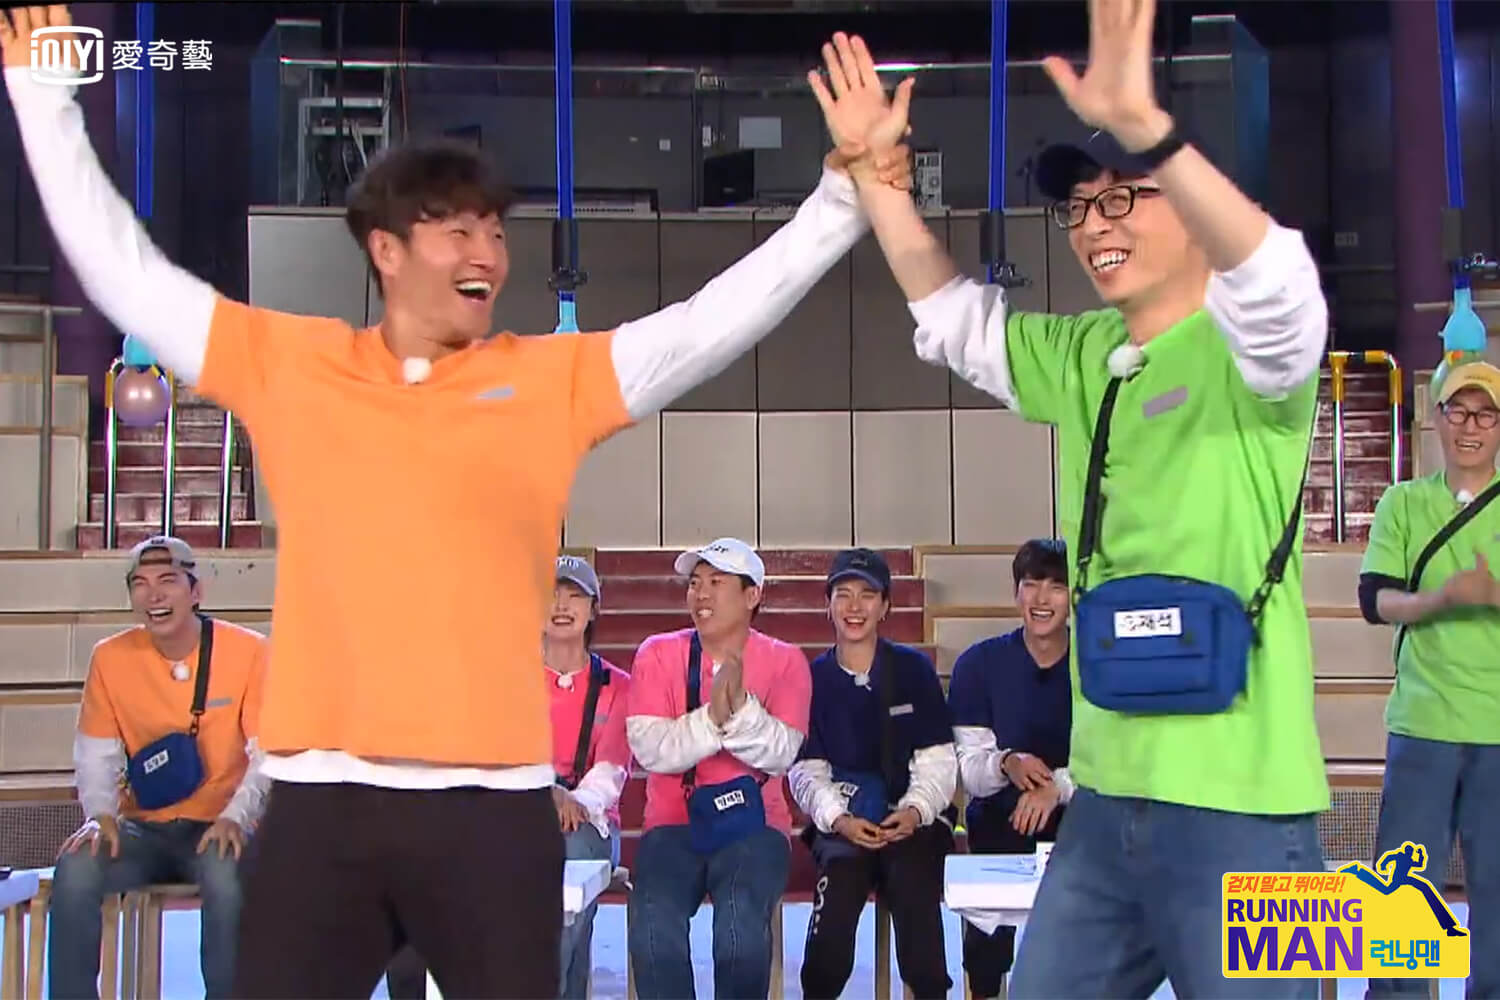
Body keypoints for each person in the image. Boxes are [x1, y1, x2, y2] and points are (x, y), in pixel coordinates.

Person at [0, 7, 909, 996]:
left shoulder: (546, 381)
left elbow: (704, 327)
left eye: (496, 231)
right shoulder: (292, 366)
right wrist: (44, 103)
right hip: (321, 803)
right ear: (387, 250)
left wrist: (840, 197)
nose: (489, 253)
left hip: (493, 809)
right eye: (458, 230)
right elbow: (131, 279)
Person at [810, 4, 1330, 994]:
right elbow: (954, 322)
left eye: (1123, 197)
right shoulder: (1087, 353)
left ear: (1191, 203)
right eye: (1080, 209)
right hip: (1105, 810)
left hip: (1253, 813)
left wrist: (1152, 132)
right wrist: (877, 178)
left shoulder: (1251, 353)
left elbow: (1282, 287)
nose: (1095, 226)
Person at [50, 537, 268, 1000]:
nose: (154, 595)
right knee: (76, 868)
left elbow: (267, 753)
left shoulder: (249, 651)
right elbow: (96, 752)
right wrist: (100, 814)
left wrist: (237, 817)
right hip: (143, 827)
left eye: (168, 581)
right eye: (140, 584)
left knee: (226, 875)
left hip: (220, 824)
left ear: (196, 591)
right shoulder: (110, 657)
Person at [1357, 358, 1500, 998]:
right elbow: (1375, 599)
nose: (1471, 427)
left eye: (1486, 415)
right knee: (1403, 894)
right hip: (1422, 725)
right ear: (1436, 419)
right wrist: (1440, 600)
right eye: (1459, 411)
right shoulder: (1404, 502)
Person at [624, 538, 812, 999]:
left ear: (752, 595)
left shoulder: (787, 660)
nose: (701, 593)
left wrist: (740, 708)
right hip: (672, 824)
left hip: (755, 825)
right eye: (694, 583)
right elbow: (651, 748)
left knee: (739, 930)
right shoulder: (656, 653)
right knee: (653, 927)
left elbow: (781, 752)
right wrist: (713, 717)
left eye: (716, 582)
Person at [789, 548, 956, 1000]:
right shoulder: (812, 679)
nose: (854, 606)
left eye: (867, 595)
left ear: (885, 606)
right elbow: (806, 772)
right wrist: (839, 819)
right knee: (839, 888)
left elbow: (939, 760)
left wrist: (915, 811)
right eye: (843, 594)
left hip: (913, 823)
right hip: (844, 821)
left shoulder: (914, 671)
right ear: (828, 605)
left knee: (914, 883)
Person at [947, 539, 1073, 999]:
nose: (1042, 599)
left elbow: (1112, 758)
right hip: (1000, 818)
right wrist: (1006, 763)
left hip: (1081, 820)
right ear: (1016, 592)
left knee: (1073, 946)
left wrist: (1055, 788)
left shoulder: (1094, 666)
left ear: (1074, 595)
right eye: (1031, 585)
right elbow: (969, 768)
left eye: (1056, 587)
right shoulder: (978, 665)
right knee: (985, 948)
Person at [547, 555, 633, 999]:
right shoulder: (509, 680)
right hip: (519, 809)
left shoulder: (618, 685)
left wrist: (573, 802)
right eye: (551, 594)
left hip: (590, 821)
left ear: (594, 608)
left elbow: (612, 769)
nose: (561, 605)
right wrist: (546, 794)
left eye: (574, 595)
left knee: (571, 872)